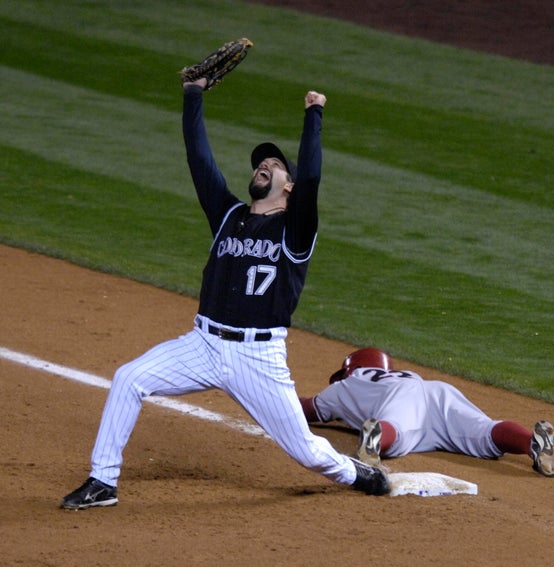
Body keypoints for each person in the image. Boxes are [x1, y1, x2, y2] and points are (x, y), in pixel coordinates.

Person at [60, 79, 390, 509]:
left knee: (306, 452)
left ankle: (357, 473)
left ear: (288, 187)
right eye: (259, 163)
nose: (262, 166)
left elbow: (311, 175)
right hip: (203, 343)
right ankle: (103, 482)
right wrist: (192, 95)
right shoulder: (228, 214)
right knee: (129, 378)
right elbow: (199, 159)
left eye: (272, 164)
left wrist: (314, 115)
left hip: (259, 358)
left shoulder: (295, 230)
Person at [299, 348, 554, 476]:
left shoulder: (344, 386)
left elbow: (307, 409)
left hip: (401, 402)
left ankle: (377, 437)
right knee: (484, 430)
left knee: (396, 430)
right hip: (435, 391)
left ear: (349, 368)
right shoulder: (400, 374)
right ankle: (532, 442)